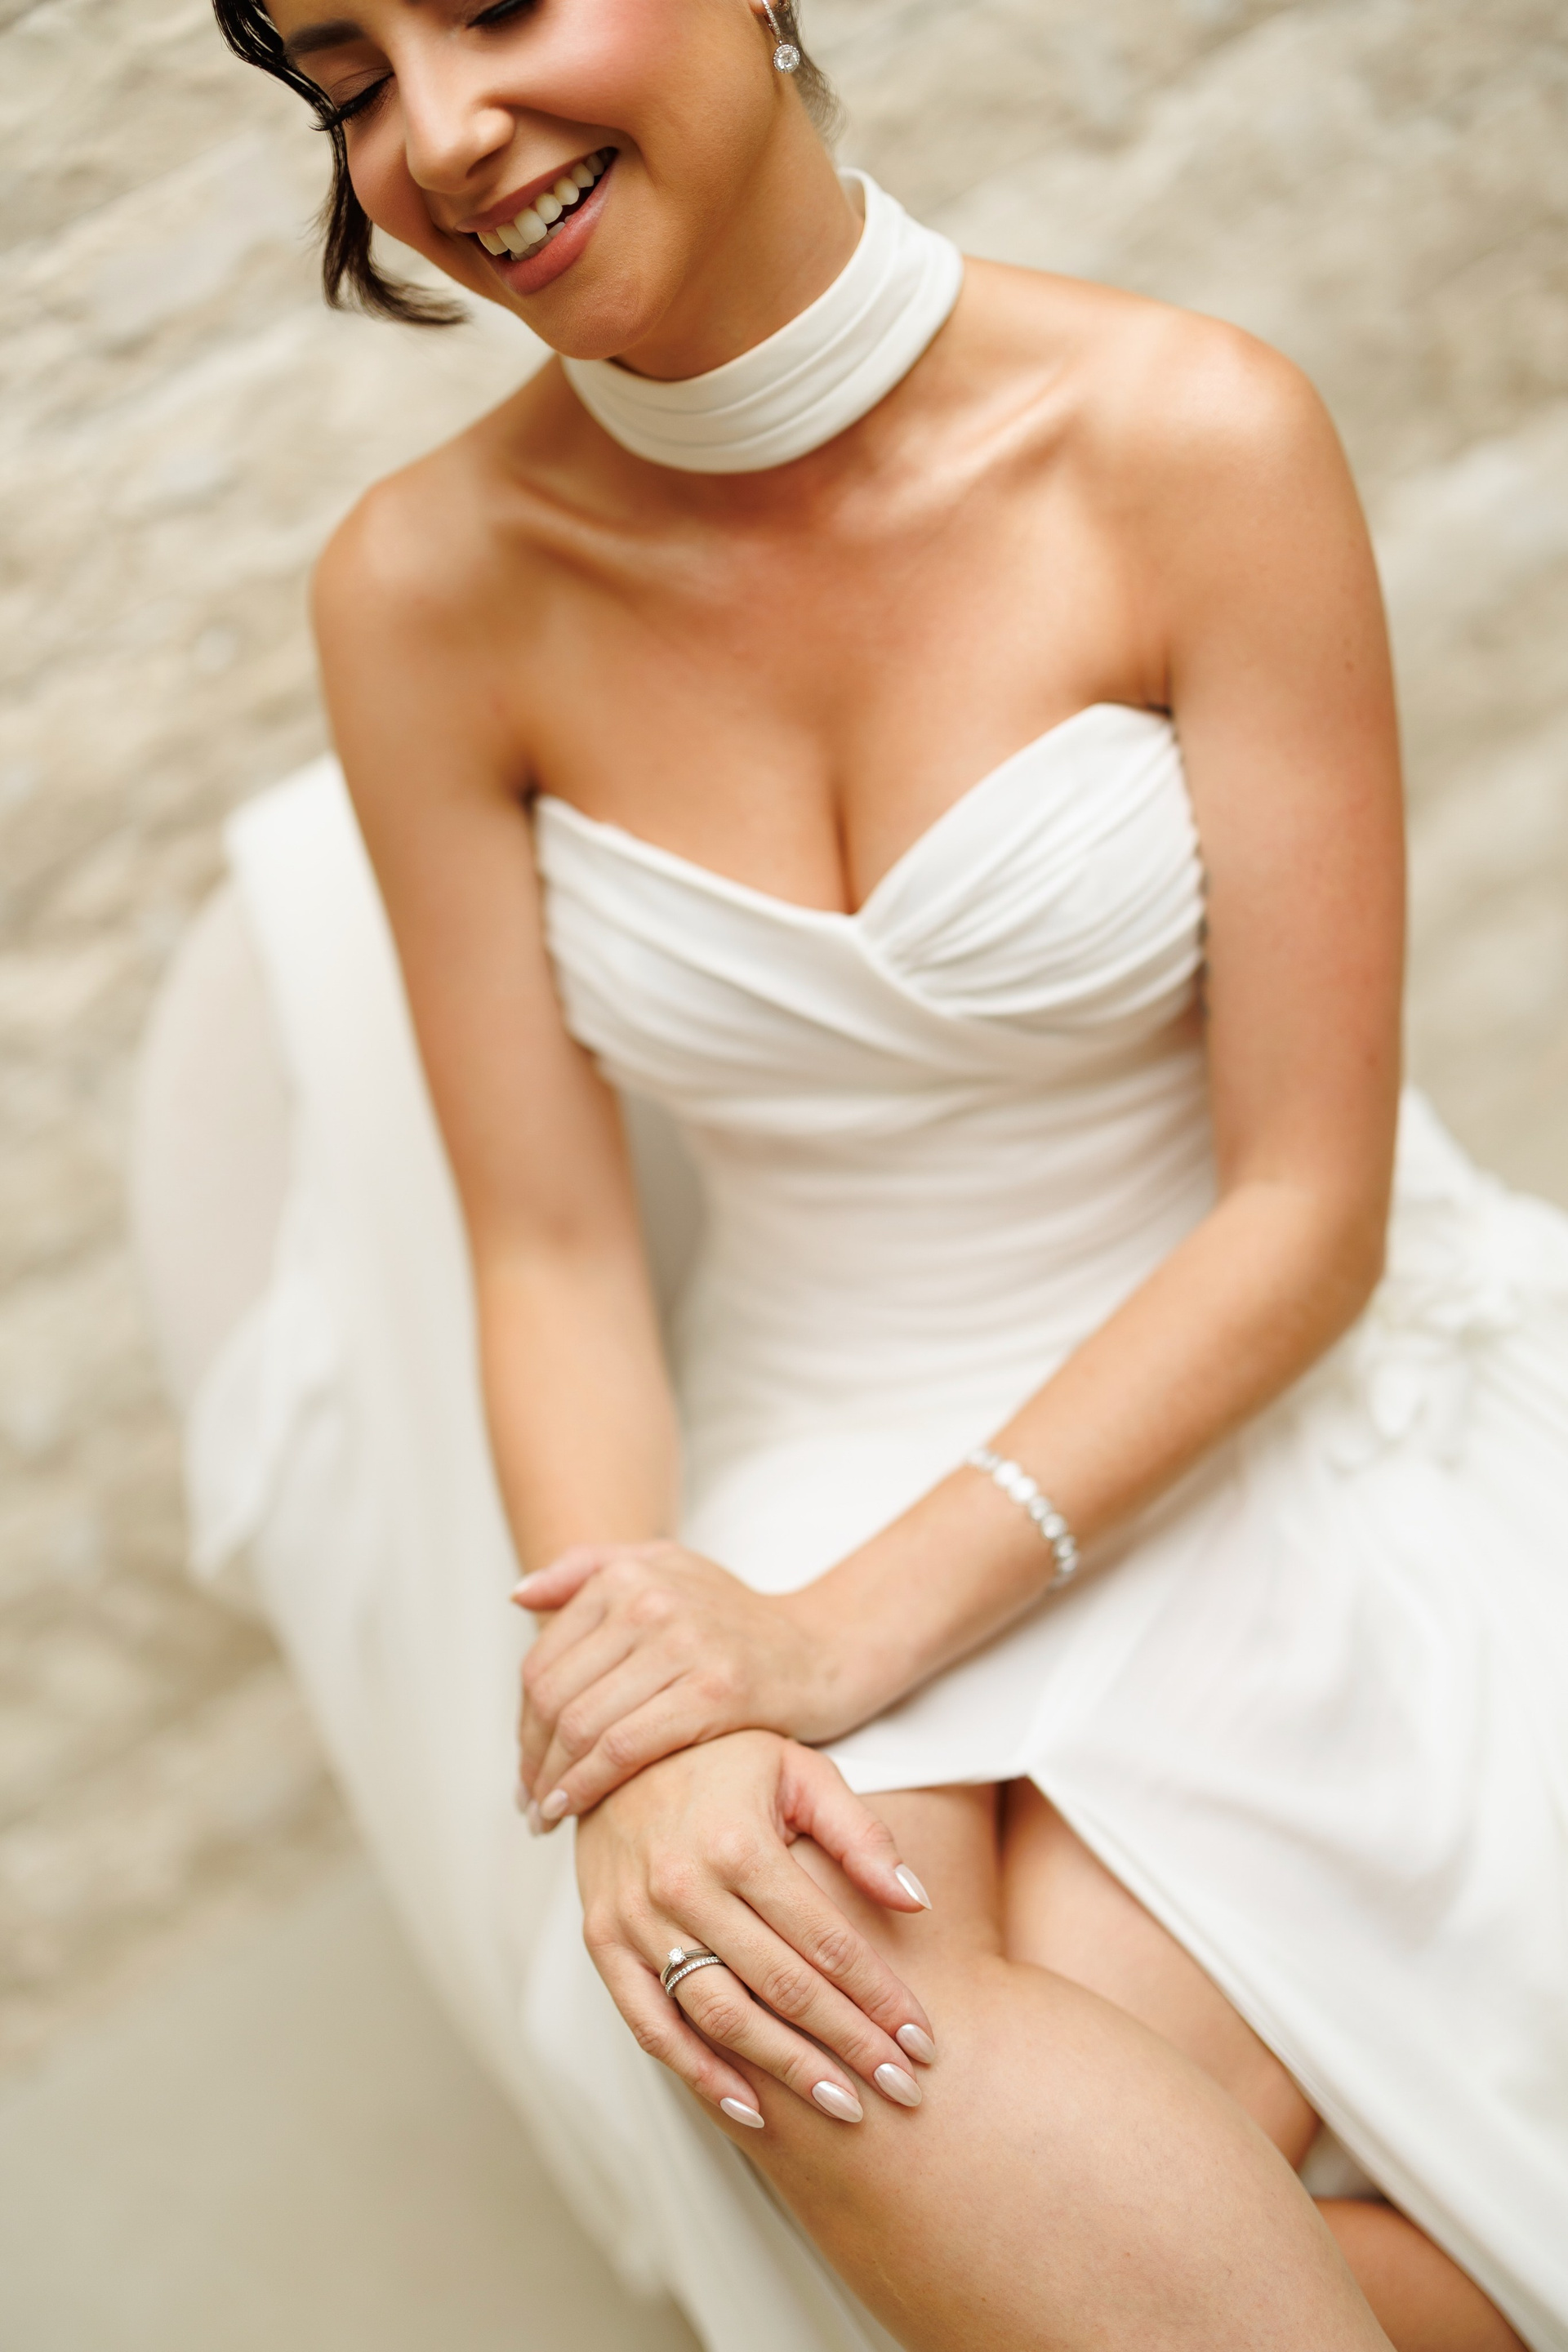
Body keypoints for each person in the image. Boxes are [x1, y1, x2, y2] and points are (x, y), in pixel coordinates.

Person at [177, 1, 1568, 2345]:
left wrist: (829, 1645)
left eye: (494, 2)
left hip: (1240, 1374)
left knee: (1112, 2120)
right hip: (808, 1429)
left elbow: (1304, 1212)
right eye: (345, 79)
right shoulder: (420, 591)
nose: (440, 132)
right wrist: (646, 1694)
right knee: (805, 2024)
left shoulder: (1194, 439)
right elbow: (553, 1249)